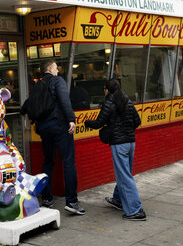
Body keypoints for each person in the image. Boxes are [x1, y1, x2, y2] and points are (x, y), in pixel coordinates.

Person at [83, 77, 145, 220]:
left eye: (104, 88)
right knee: (125, 173)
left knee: (124, 177)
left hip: (119, 144)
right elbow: (137, 121)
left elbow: (99, 122)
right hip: (130, 143)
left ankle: (136, 210)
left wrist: (86, 122)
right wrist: (126, 131)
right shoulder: (127, 100)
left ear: (107, 89)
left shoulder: (109, 103)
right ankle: (118, 199)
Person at [34, 59, 84, 215]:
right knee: (68, 161)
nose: (58, 70)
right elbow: (64, 100)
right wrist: (71, 119)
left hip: (43, 128)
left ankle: (47, 199)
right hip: (59, 125)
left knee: (48, 162)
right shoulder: (57, 81)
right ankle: (72, 201)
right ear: (50, 68)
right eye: (56, 68)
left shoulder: (37, 84)